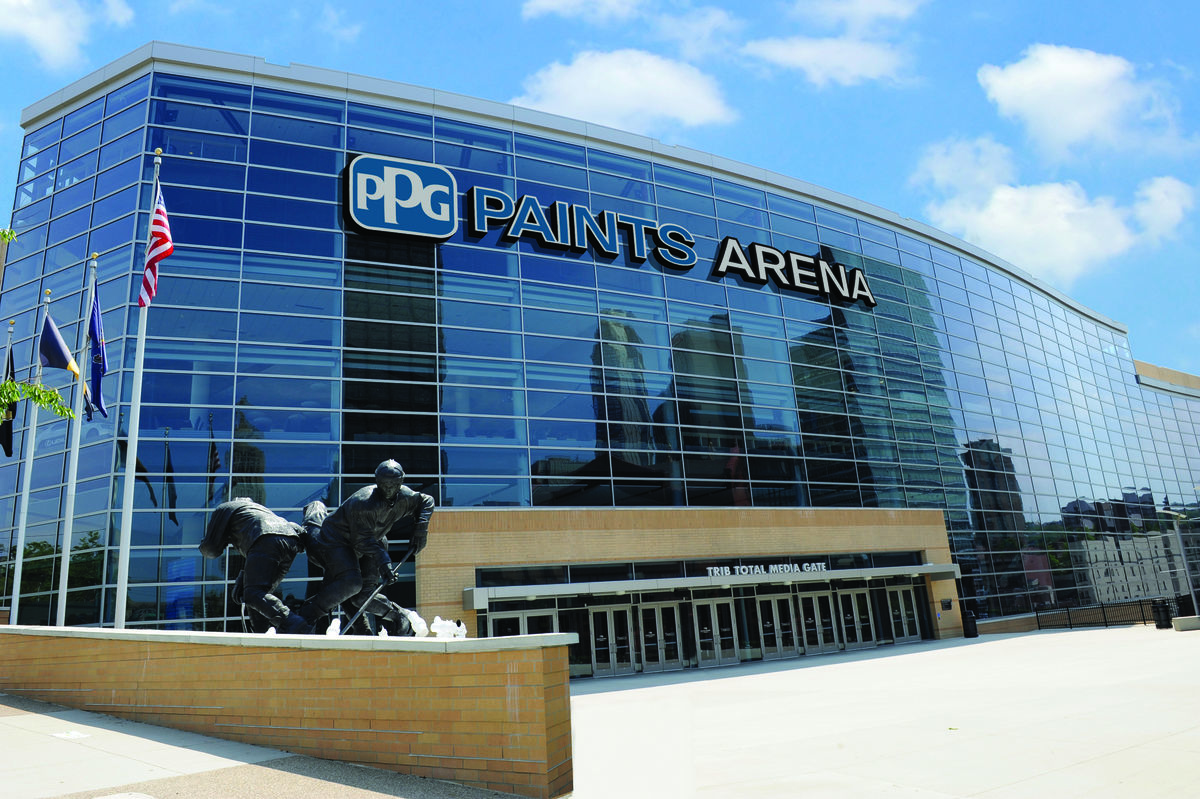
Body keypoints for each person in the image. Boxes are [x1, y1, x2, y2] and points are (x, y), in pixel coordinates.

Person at [297, 460, 434, 634]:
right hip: (338, 541)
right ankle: (305, 615)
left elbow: (427, 501)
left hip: (372, 542)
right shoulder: (363, 502)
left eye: (394, 484)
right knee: (351, 583)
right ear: (377, 482)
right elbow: (361, 540)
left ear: (401, 483)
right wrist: (384, 562)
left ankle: (399, 616)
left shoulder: (405, 497)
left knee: (363, 595)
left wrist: (420, 530)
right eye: (384, 484)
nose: (389, 489)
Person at [198, 498, 310, 634]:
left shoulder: (227, 507)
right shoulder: (259, 510)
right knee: (259, 595)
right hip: (290, 541)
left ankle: (292, 622)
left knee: (253, 593)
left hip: (266, 538)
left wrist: (206, 543)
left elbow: (211, 549)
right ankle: (260, 633)